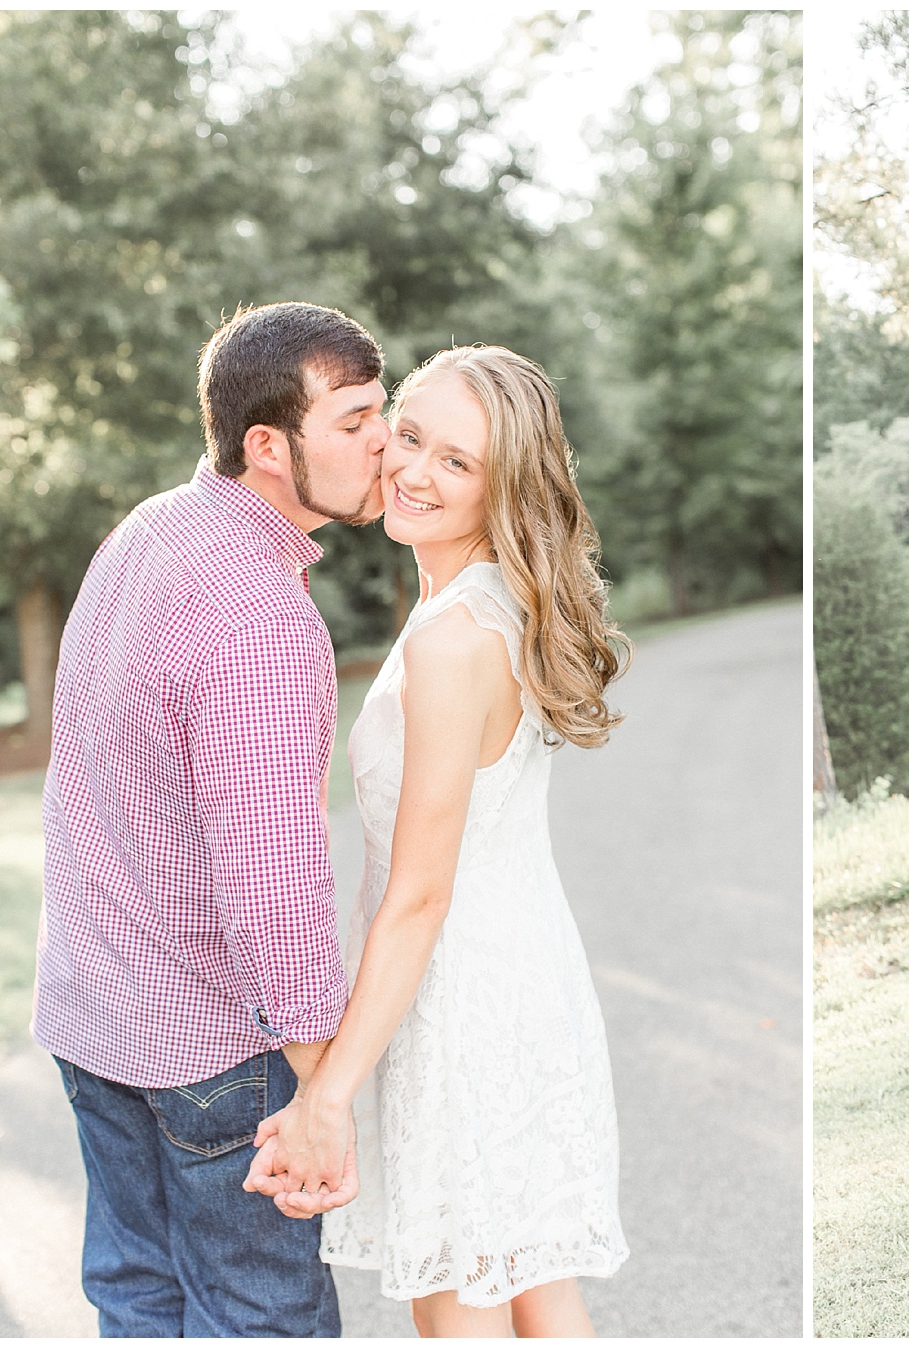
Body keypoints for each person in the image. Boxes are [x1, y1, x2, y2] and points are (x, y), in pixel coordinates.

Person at [243, 345, 632, 1337]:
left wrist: (329, 1095)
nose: (413, 470)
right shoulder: (486, 601)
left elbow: (418, 893)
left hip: (463, 1008)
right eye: (409, 436)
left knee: (459, 1308)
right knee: (538, 1293)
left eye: (456, 461)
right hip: (516, 980)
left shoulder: (454, 637)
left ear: (501, 486)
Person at [33, 301, 389, 1336]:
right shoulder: (263, 618)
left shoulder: (148, 529)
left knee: (140, 1301)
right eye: (357, 419)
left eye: (384, 409)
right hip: (210, 1052)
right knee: (260, 1319)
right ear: (268, 445)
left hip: (91, 1010)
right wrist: (324, 1094)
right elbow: (273, 887)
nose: (384, 440)